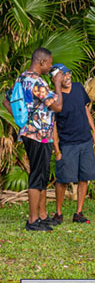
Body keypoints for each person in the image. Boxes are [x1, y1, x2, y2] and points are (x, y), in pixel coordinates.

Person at [3, 48, 64, 231]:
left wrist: (22, 121)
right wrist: (57, 83)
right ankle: (33, 220)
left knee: (41, 175)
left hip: (34, 134)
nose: (51, 67)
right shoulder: (38, 82)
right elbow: (58, 106)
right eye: (50, 63)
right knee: (37, 176)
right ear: (42, 62)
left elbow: (6, 100)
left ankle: (41, 216)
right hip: (38, 135)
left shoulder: (22, 78)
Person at [52, 64, 95, 224]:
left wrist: (94, 132)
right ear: (56, 79)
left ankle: (78, 213)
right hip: (67, 144)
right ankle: (58, 213)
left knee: (84, 177)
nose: (67, 77)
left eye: (68, 73)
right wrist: (57, 150)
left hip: (85, 140)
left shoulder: (79, 88)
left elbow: (86, 110)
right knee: (63, 179)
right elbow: (53, 126)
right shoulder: (54, 97)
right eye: (63, 75)